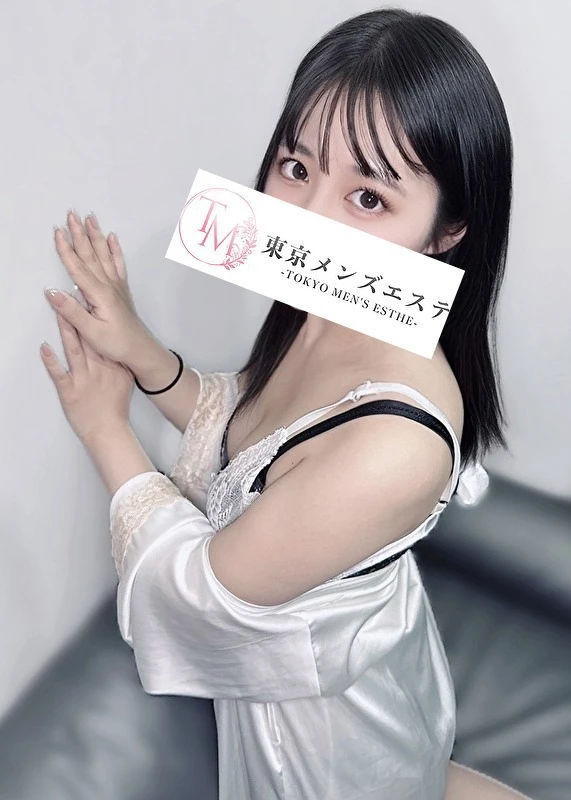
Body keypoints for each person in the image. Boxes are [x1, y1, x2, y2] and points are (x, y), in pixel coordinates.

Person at [41, 8, 532, 800]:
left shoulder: (398, 444)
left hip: (329, 742)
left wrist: (105, 429)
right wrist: (143, 353)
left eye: (367, 197)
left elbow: (197, 597)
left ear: (447, 232)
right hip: (348, 669)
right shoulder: (332, 308)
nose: (304, 220)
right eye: (296, 168)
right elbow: (259, 440)